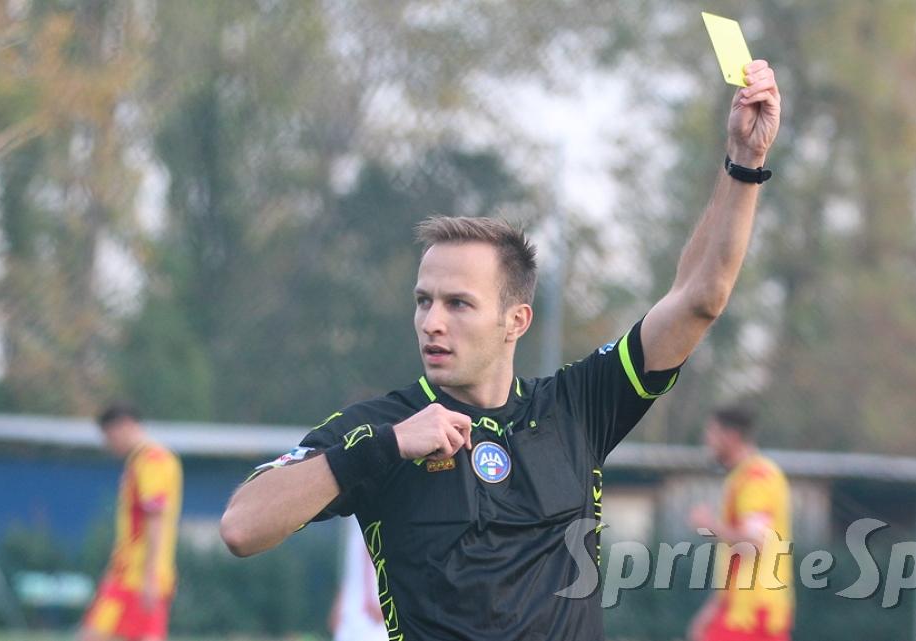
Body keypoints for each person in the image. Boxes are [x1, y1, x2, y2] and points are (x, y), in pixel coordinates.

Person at [220, 60, 781, 641]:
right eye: (423, 301)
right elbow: (241, 527)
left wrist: (745, 161)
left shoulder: (578, 407)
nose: (432, 322)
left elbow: (699, 298)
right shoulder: (383, 429)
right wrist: (385, 447)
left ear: (516, 321)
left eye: (458, 304)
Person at [686, 407, 794, 641]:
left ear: (731, 436)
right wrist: (714, 607)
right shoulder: (743, 476)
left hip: (753, 610)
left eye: (712, 433)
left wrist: (709, 525)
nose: (707, 441)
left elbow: (755, 543)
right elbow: (738, 557)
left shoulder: (756, 477)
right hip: (742, 605)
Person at [81, 404, 183, 641]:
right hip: (127, 573)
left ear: (123, 426)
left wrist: (150, 576)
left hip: (138, 577)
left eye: (109, 437)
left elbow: (155, 518)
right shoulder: (138, 461)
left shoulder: (153, 459)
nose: (109, 445)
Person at [328, 517, 389, 641]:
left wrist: (372, 597)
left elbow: (369, 547)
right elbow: (351, 564)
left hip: (367, 607)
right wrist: (339, 602)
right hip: (356, 605)